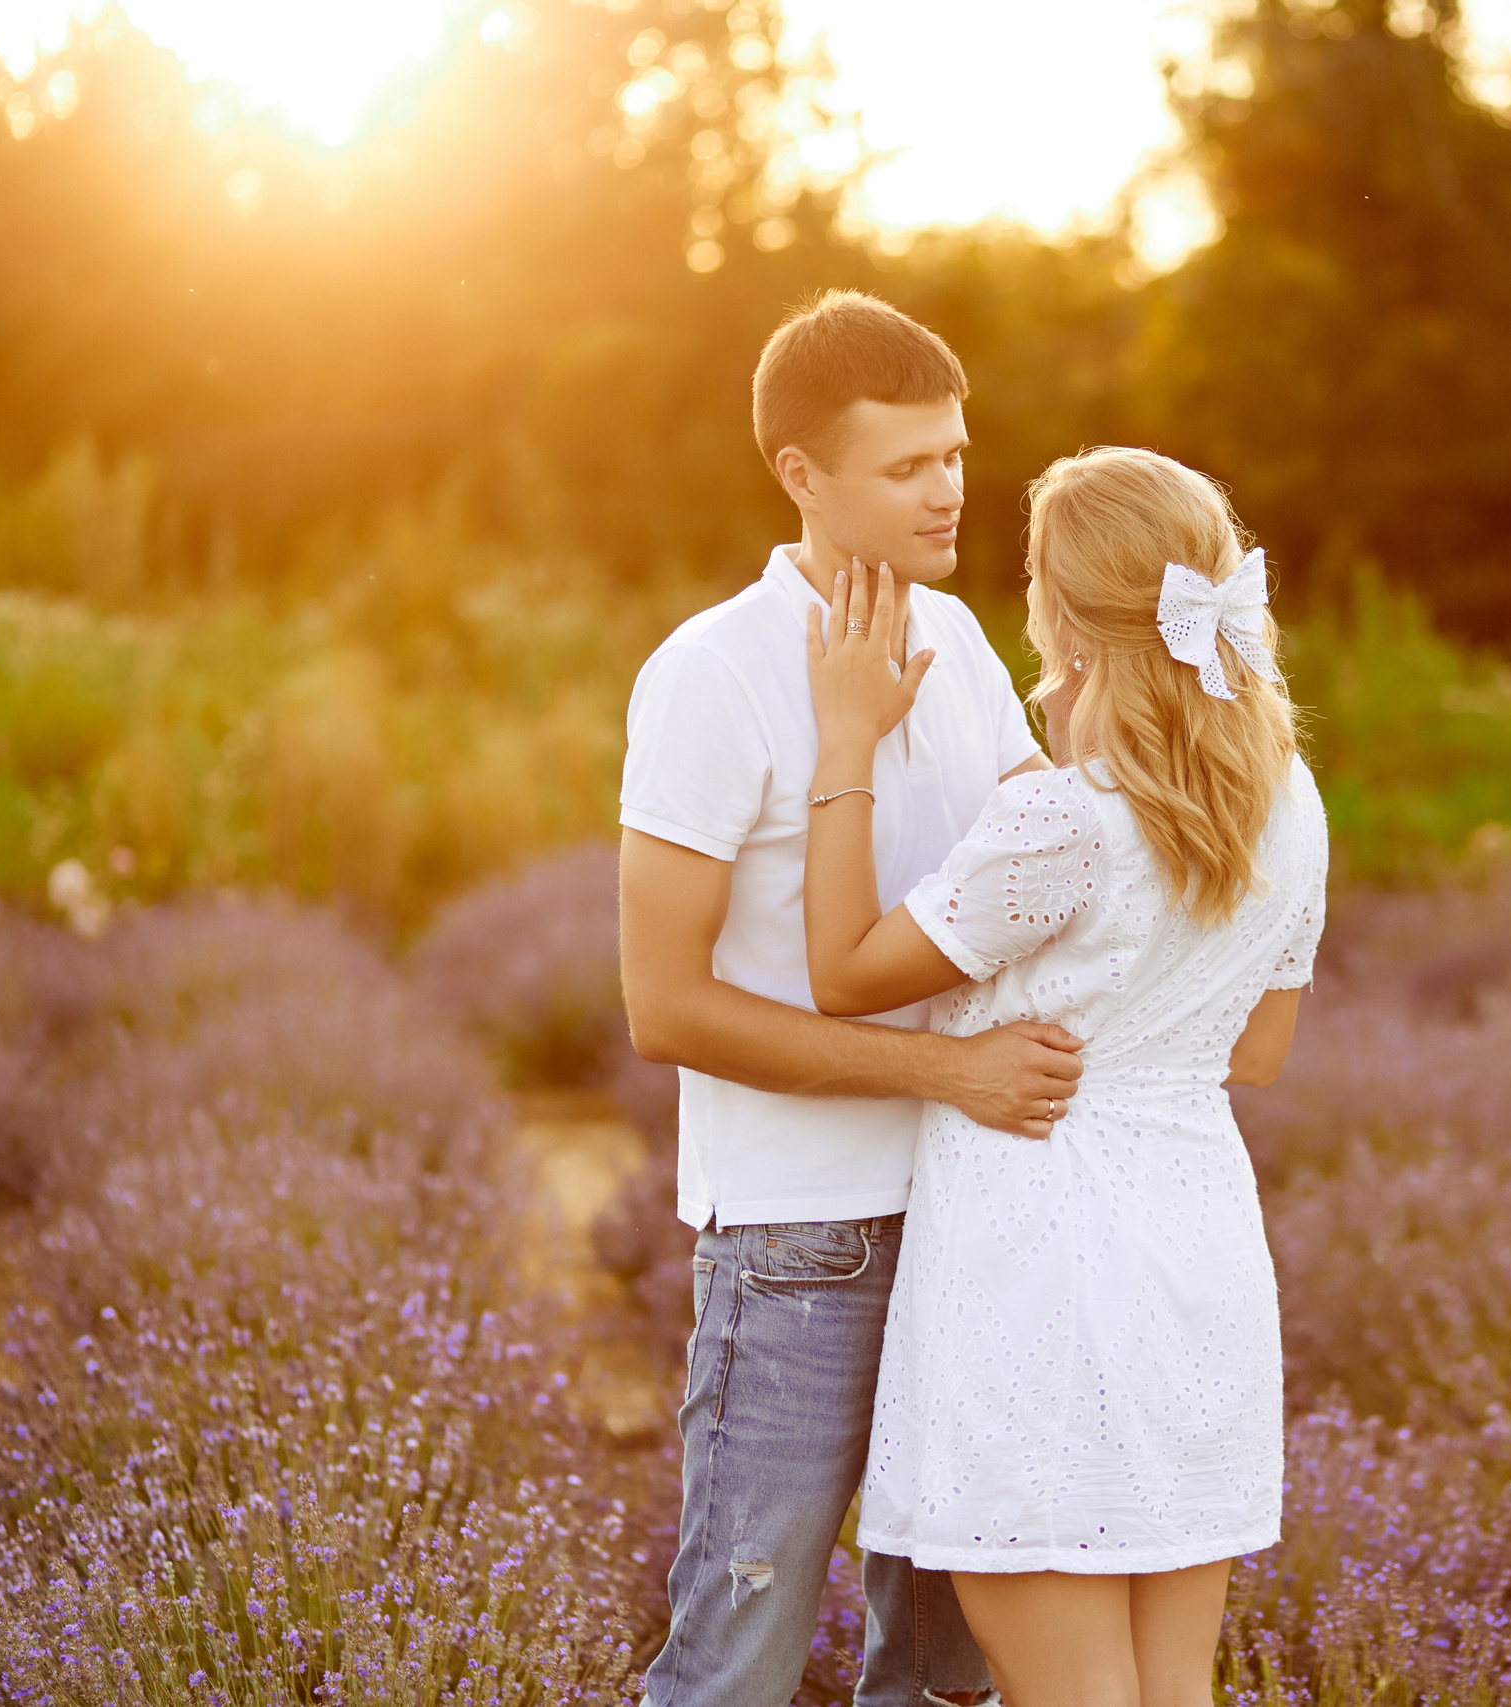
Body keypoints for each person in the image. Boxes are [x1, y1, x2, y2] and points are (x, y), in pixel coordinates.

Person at [799, 446, 1325, 1707]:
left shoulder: (1065, 820)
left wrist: (846, 736)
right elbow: (1256, 1052)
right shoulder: (1289, 798)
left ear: (1063, 616)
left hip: (1038, 1273)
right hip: (1196, 1260)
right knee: (1171, 1691)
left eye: (1032, 574)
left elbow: (841, 973)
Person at [619, 289, 1081, 1707]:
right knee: (735, 1668)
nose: (951, 489)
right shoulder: (709, 673)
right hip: (797, 1241)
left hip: (975, 1214)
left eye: (954, 453)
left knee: (946, 1673)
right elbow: (667, 1011)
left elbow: (1038, 892)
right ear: (801, 476)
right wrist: (950, 1072)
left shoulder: (963, 648)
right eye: (907, 465)